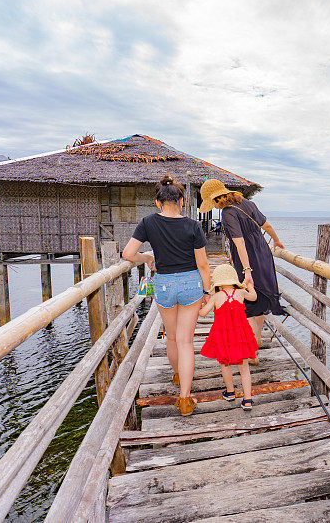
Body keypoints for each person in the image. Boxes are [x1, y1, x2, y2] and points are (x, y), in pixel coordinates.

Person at [122, 173, 210, 416]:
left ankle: (177, 376)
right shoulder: (193, 226)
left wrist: (147, 257)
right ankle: (184, 399)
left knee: (171, 338)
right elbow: (203, 265)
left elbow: (128, 254)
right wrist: (206, 291)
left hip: (163, 286)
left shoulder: (148, 222)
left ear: (158, 202)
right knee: (186, 342)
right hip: (191, 282)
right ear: (182, 201)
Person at [199, 179, 285, 357]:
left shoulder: (228, 213)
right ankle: (258, 338)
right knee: (260, 298)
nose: (213, 207)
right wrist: (276, 240)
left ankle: (252, 348)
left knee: (248, 303)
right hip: (262, 252)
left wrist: (247, 270)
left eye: (212, 203)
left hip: (247, 258)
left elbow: (239, 242)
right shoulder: (247, 203)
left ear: (217, 199)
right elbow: (266, 225)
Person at [199, 264, 258, 410]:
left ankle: (230, 392)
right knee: (244, 368)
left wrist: (200, 303)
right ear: (233, 280)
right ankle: (247, 400)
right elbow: (254, 297)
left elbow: (202, 313)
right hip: (240, 335)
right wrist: (249, 286)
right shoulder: (240, 293)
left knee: (225, 364)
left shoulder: (216, 297)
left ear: (217, 282)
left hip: (223, 336)